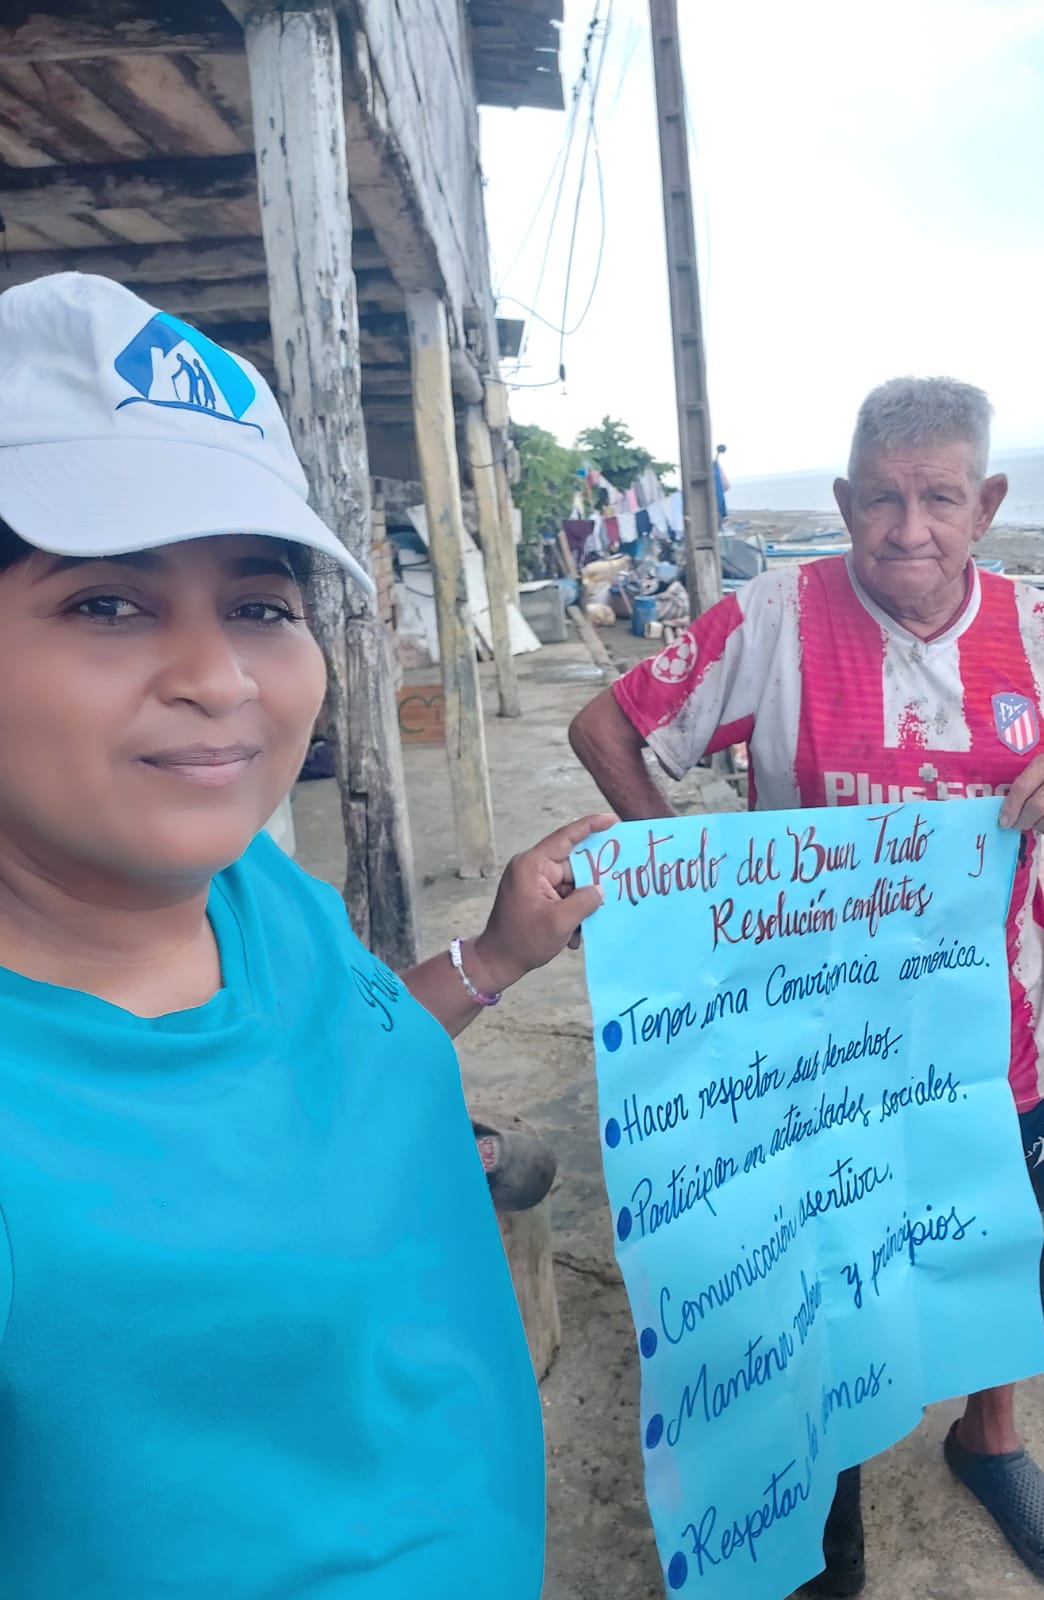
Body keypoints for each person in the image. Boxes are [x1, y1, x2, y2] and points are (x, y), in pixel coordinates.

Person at [0, 271, 612, 1599]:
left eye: (260, 604)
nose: (218, 677)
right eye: (105, 602)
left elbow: (335, 1050)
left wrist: (496, 959)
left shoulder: (253, 889)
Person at [569, 376, 1044, 1595]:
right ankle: (826, 1477)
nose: (908, 528)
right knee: (819, 1256)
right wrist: (688, 884)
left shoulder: (1038, 626)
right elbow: (607, 726)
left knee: (1004, 1225)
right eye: (881, 498)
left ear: (986, 504)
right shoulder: (773, 615)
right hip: (819, 1051)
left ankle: (992, 1440)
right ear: (842, 501)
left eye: (940, 497)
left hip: (1004, 1027)